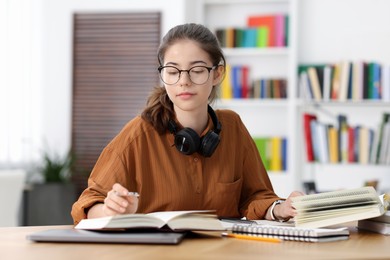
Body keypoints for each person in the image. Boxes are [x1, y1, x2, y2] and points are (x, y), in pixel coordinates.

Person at [71, 23, 303, 225]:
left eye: (197, 70)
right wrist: (110, 210)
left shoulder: (232, 126)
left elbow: (256, 197)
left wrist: (280, 209)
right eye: (172, 72)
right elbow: (87, 205)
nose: (183, 81)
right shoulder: (138, 134)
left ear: (217, 73)